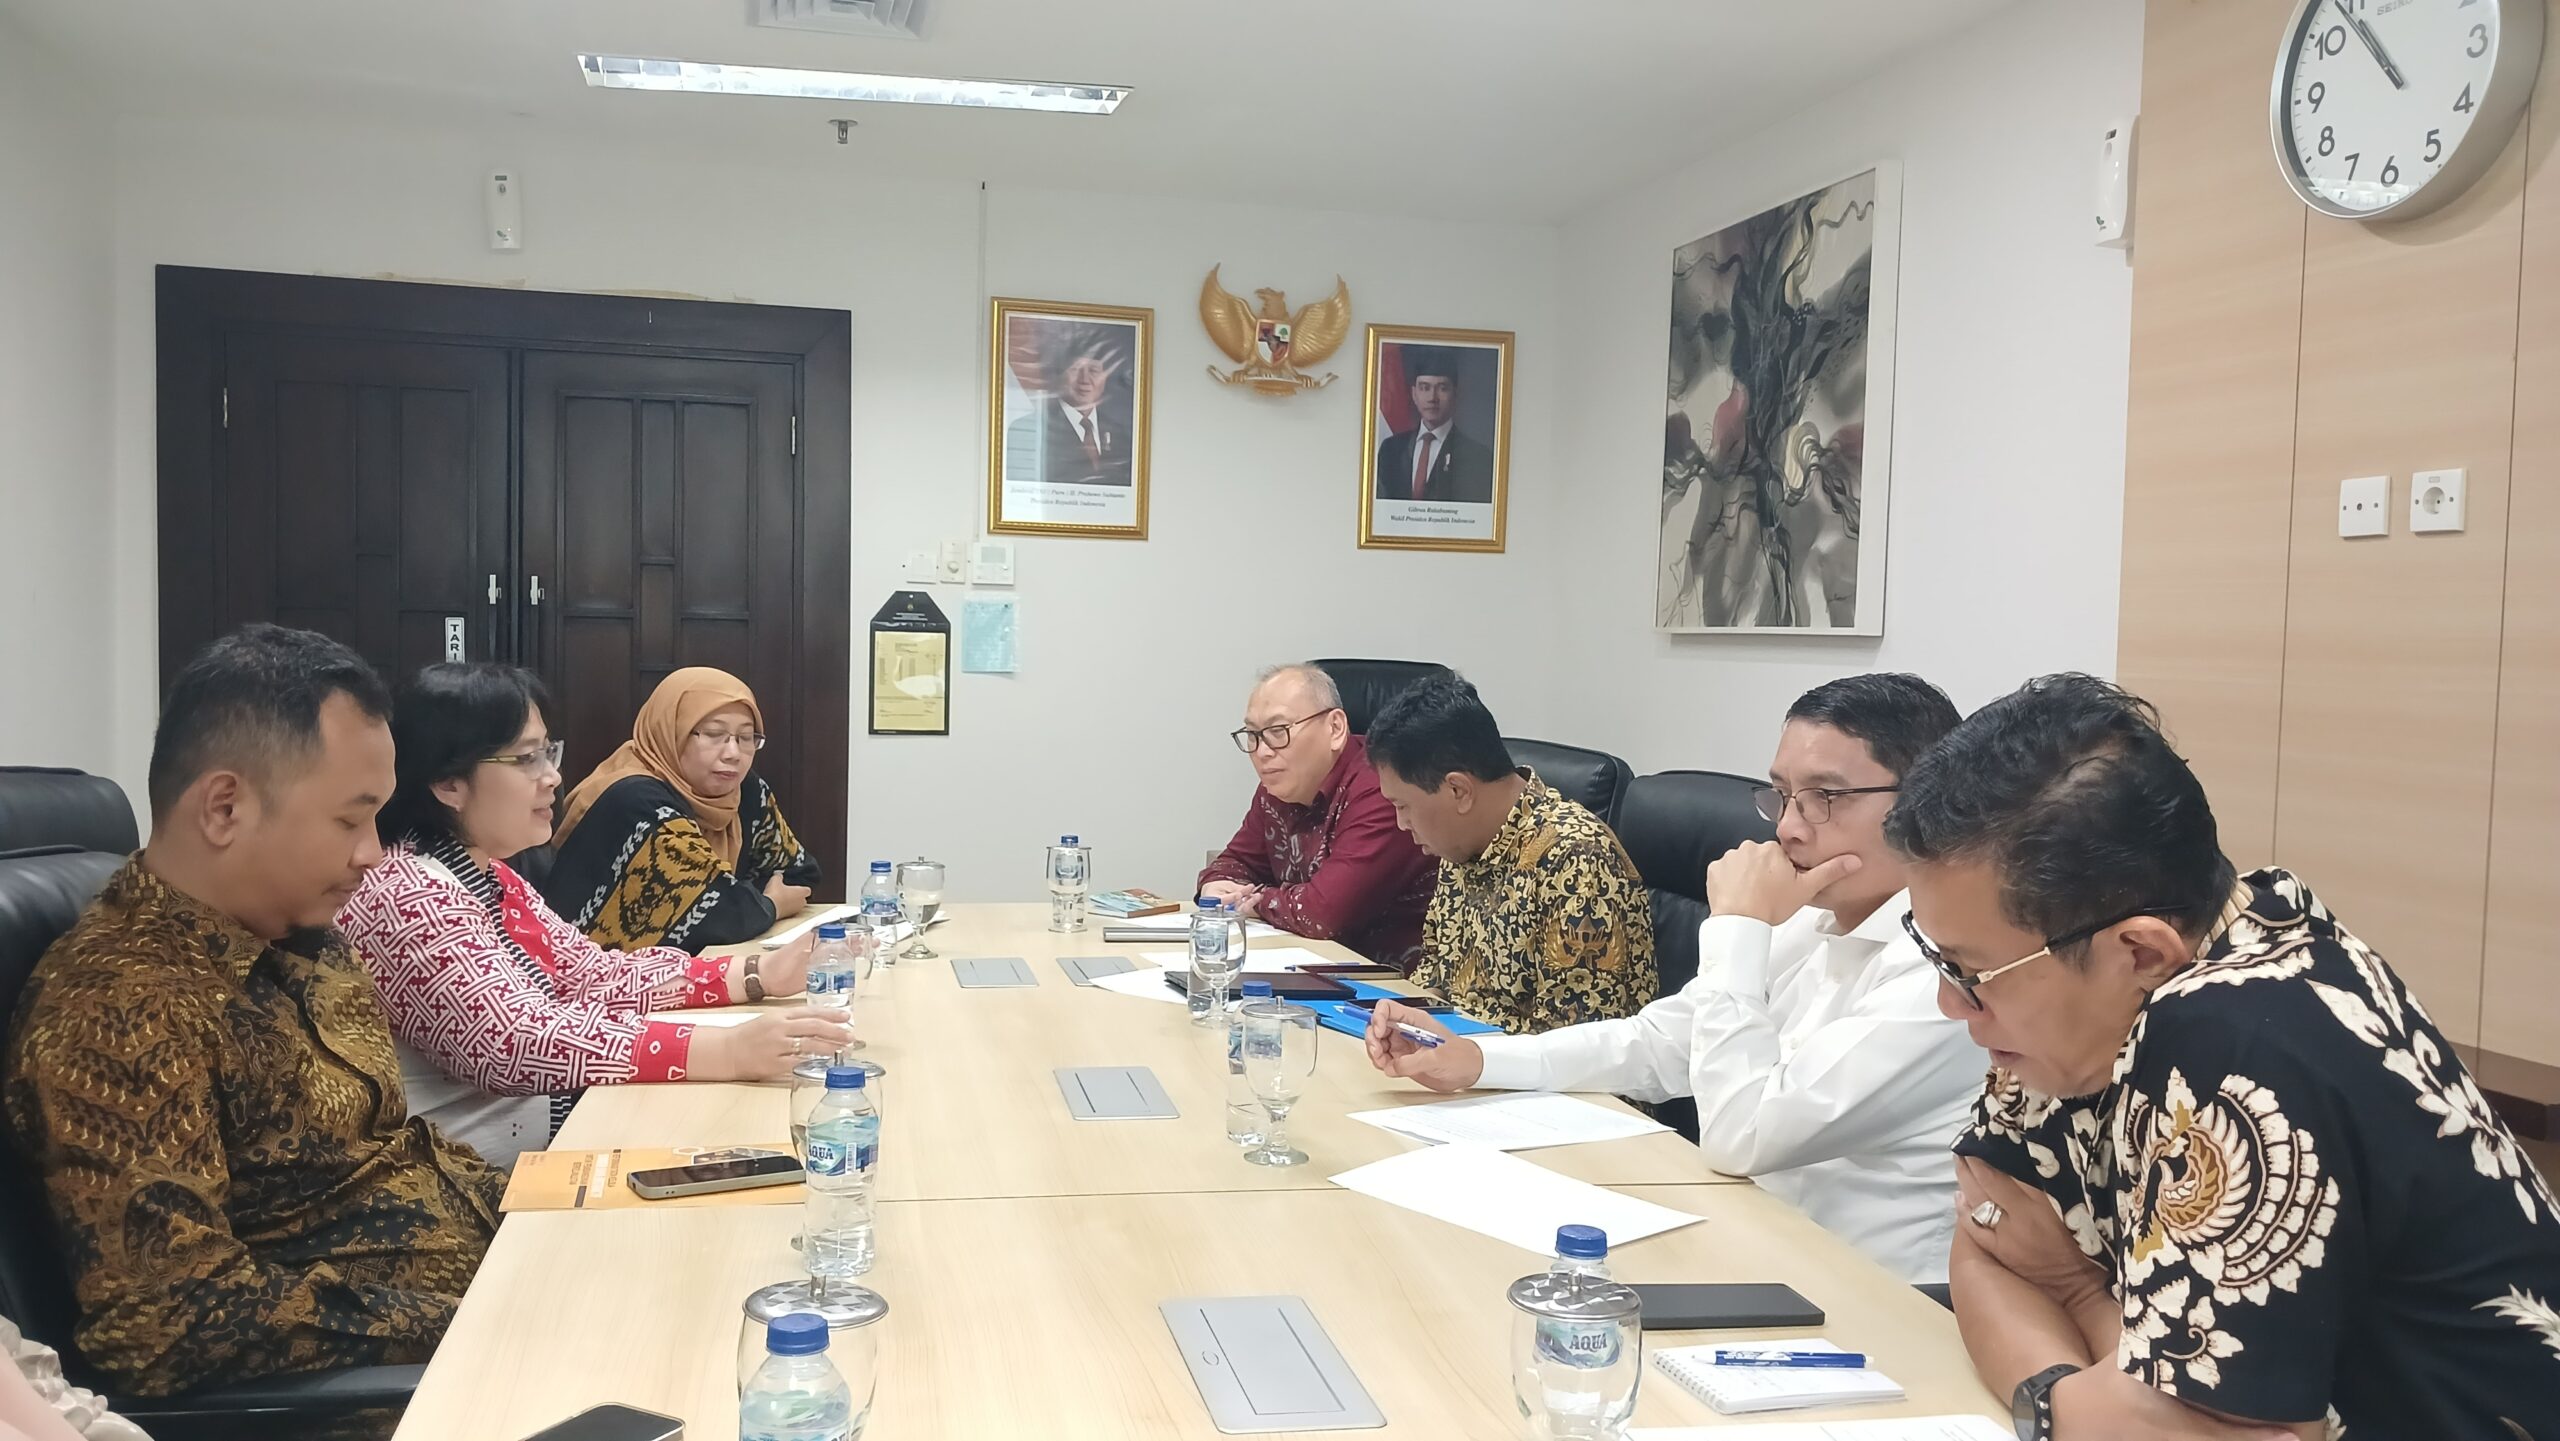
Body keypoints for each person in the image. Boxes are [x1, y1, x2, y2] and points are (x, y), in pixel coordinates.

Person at [1888, 674, 2560, 1440]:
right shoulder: (2081, 997)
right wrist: (2077, 1393)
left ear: (2141, 952)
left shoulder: (2240, 1032)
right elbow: (1988, 1246)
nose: (1952, 1003)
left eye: (1970, 972)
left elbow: (2210, 1432)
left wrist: (2072, 1301)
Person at [3, 624, 502, 1398]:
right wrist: (483, 1321)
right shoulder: (123, 1009)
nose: (373, 851)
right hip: (402, 1395)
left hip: (492, 1303)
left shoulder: (302, 935)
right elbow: (172, 1321)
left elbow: (392, 1153)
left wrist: (547, 1217)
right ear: (225, 807)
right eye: (350, 819)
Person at [1365, 674, 1981, 1284]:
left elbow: (1743, 1136)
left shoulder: (1945, 974)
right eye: (1782, 795)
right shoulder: (1815, 919)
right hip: (1749, 1241)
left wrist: (1739, 927)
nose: (1788, 828)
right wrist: (1478, 1060)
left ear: (1923, 805)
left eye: (1824, 797)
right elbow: (1657, 1043)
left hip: (1862, 1295)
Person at [338, 664, 855, 1169]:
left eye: (549, 753)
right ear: (448, 782)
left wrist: (757, 974)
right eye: (526, 759)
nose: (552, 777)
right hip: (476, 1179)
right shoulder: (408, 893)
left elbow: (590, 973)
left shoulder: (488, 872)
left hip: (556, 1129)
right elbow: (516, 1042)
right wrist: (725, 1050)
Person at [1364, 671, 1651, 1032]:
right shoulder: (1460, 843)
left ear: (1458, 791)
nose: (1401, 823)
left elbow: (1577, 1041)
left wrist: (1462, 1053)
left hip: (1529, 1066)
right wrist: (1402, 1023)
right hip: (1459, 1056)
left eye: (1403, 806)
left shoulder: (1577, 860)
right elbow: (1435, 976)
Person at [541, 667, 822, 953]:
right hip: (589, 971)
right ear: (672, 733)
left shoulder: (743, 791)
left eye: (746, 737)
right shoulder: (634, 799)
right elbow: (716, 915)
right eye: (714, 734)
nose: (733, 753)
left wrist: (742, 899)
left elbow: (799, 874)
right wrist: (770, 904)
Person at [1197, 664, 1436, 970]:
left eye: (1278, 732)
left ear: (1335, 728)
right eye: (1253, 735)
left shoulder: (1381, 786)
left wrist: (1254, 900)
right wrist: (1216, 886)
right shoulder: (1278, 788)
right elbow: (1235, 863)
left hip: (1390, 980)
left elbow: (1325, 912)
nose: (1262, 752)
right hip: (1309, 966)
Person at [1005, 327, 1133, 488]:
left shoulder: (1120, 434)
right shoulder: (1032, 430)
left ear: (1106, 377)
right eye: (1075, 369)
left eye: (1093, 370)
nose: (1085, 380)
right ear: (1060, 374)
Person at [1373, 348, 1494, 504]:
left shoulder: (1478, 457)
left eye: (1442, 388)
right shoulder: (1390, 449)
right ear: (1414, 394)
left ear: (1455, 394)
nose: (1432, 398)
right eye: (1425, 388)